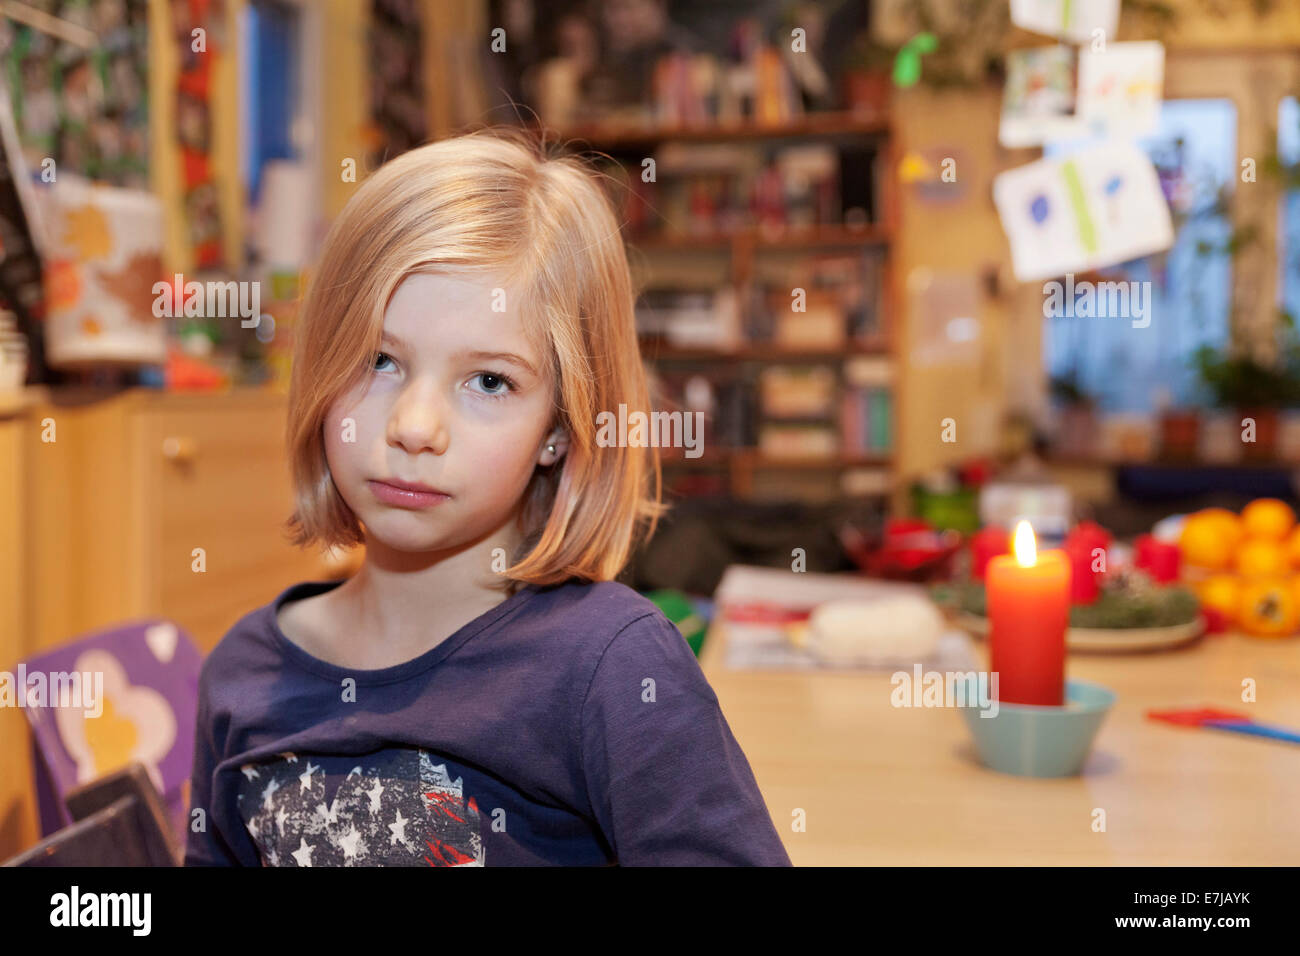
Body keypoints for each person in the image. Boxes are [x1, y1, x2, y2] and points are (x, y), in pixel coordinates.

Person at [183, 128, 792, 866]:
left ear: (559, 430)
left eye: (490, 382)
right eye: (378, 360)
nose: (414, 426)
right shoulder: (242, 674)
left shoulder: (616, 670)